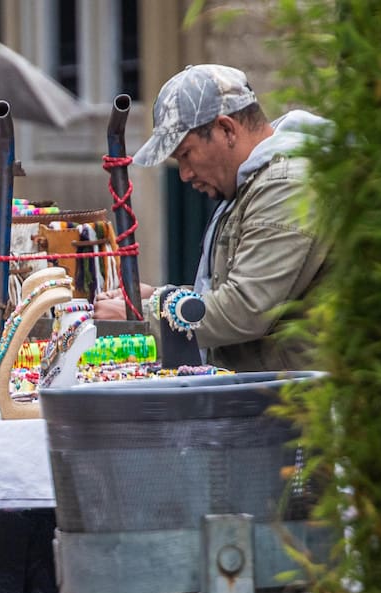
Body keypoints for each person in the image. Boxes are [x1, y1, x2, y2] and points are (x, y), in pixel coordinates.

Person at [95, 64, 331, 371]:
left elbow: (246, 308)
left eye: (186, 154)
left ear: (226, 130)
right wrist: (163, 297)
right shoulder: (254, 182)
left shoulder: (286, 184)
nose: (184, 174)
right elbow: (234, 292)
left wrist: (142, 316)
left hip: (302, 407)